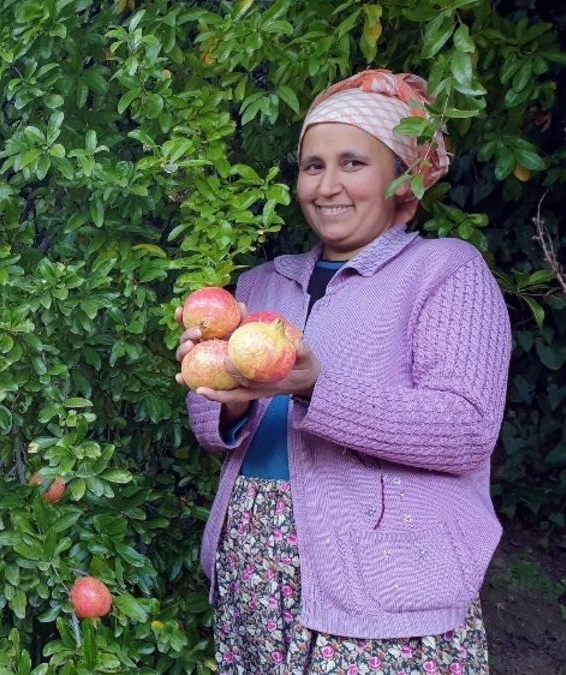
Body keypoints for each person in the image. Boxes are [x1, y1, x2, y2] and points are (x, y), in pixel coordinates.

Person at [176, 70, 511, 672]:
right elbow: (211, 426)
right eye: (312, 166)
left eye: (352, 162)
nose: (327, 185)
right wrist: (223, 393)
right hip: (253, 569)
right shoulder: (261, 283)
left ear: (401, 177)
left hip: (385, 586)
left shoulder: (445, 272)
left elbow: (465, 429)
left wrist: (314, 386)